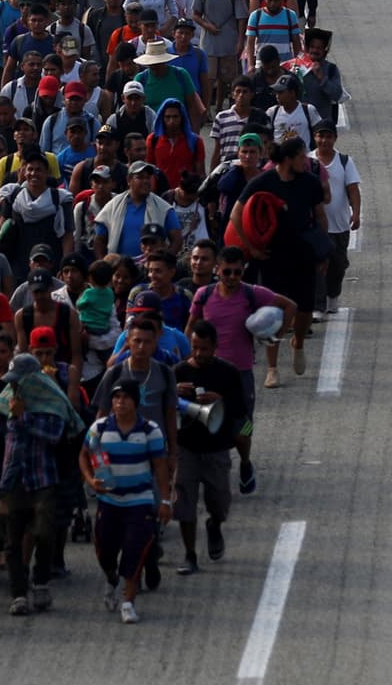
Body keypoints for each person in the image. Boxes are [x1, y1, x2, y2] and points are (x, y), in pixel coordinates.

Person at [0, 352, 84, 615]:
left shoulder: (53, 401)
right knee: (11, 541)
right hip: (12, 479)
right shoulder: (6, 401)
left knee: (44, 533)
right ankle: (18, 593)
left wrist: (23, 418)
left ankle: (41, 580)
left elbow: (54, 435)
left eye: (19, 380)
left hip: (43, 479)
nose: (14, 386)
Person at [190, 246, 291, 491]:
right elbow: (190, 328)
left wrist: (275, 334)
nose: (233, 277)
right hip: (207, 372)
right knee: (203, 426)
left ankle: (245, 462)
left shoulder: (252, 294)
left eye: (237, 272)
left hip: (239, 376)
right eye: (227, 272)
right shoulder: (203, 295)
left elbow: (290, 307)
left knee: (243, 429)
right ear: (218, 270)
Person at [84, 381, 172, 625]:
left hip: (139, 502)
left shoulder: (150, 431)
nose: (120, 402)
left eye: (126, 397)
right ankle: (111, 577)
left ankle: (128, 602)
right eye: (116, 397)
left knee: (135, 551)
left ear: (136, 401)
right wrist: (91, 479)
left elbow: (161, 467)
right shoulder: (99, 428)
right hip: (108, 501)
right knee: (104, 550)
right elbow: (83, 455)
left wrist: (165, 500)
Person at [243, 135, 330, 379]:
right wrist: (253, 247)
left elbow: (320, 216)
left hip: (304, 253)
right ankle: (272, 368)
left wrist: (324, 252)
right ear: (288, 159)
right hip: (273, 256)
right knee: (274, 310)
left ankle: (298, 343)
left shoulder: (310, 182)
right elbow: (237, 214)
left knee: (304, 308)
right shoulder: (265, 181)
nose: (306, 160)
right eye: (302, 156)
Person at [170, 320, 246, 572]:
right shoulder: (177, 372)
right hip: (186, 447)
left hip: (216, 447)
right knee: (184, 501)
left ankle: (215, 525)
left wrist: (220, 400)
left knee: (220, 501)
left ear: (215, 346)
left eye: (204, 348)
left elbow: (241, 412)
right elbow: (160, 407)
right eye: (195, 348)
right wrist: (174, 394)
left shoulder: (228, 373)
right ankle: (190, 555)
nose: (199, 354)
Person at [311, 121, 361, 315]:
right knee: (318, 266)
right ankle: (318, 304)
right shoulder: (307, 161)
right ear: (314, 137)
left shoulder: (344, 161)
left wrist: (355, 213)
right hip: (315, 226)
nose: (324, 140)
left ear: (334, 138)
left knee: (337, 266)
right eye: (320, 136)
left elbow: (353, 190)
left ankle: (333, 296)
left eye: (328, 136)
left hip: (339, 226)